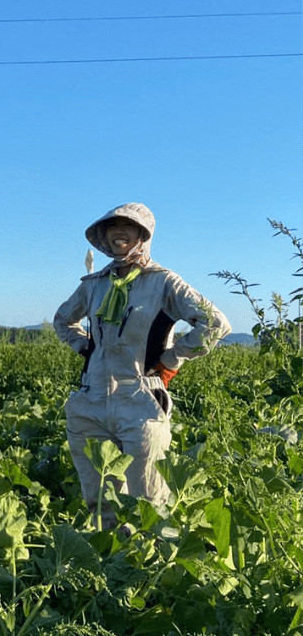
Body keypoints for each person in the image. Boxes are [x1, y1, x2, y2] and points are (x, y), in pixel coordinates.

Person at [53, 202, 230, 529]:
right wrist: (85, 348)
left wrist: (171, 359)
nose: (119, 232)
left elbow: (216, 324)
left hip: (141, 400)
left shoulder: (163, 282)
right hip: (90, 402)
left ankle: (151, 559)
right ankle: (109, 557)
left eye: (129, 226)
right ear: (104, 236)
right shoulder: (94, 284)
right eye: (112, 226)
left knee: (147, 503)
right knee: (99, 501)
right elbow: (63, 320)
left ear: (143, 235)